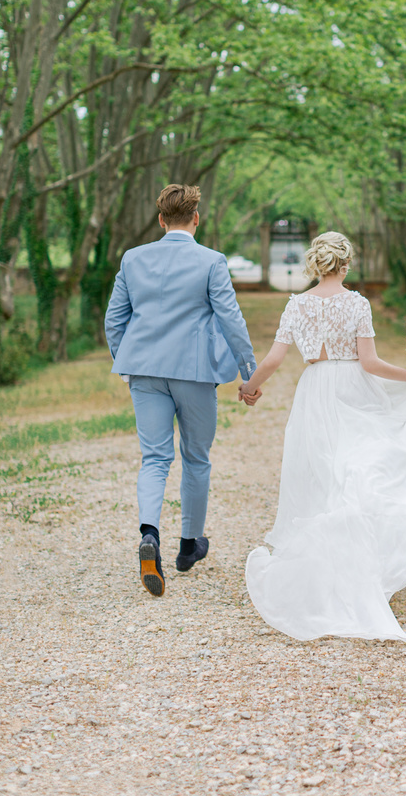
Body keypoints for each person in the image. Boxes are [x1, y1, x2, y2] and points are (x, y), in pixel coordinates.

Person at [241, 231, 406, 642]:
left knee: (322, 472)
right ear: (345, 265)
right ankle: (352, 566)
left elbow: (273, 358)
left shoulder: (297, 305)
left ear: (314, 265)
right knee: (357, 467)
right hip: (353, 388)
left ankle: (330, 568)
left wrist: (250, 387)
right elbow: (371, 363)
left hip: (314, 390)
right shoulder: (357, 304)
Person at [104, 184, 260, 598]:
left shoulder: (133, 259)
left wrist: (128, 364)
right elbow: (231, 319)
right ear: (196, 219)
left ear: (160, 220)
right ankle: (189, 546)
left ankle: (150, 535)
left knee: (154, 457)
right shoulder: (211, 261)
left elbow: (114, 321)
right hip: (193, 374)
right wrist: (249, 372)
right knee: (196, 457)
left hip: (145, 373)